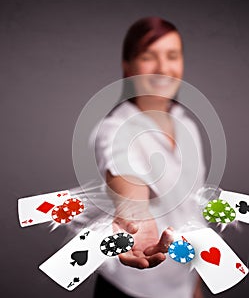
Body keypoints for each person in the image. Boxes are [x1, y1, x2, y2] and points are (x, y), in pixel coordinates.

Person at [76, 16, 208, 298]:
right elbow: (125, 177)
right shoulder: (113, 128)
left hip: (182, 284)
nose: (163, 68)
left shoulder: (188, 126)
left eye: (172, 56)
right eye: (149, 56)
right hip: (131, 288)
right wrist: (134, 214)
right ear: (128, 66)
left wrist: (196, 280)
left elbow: (191, 212)